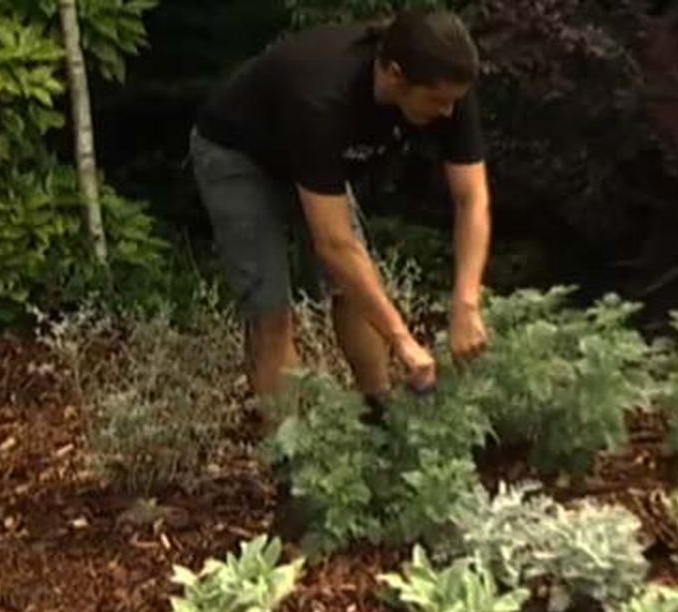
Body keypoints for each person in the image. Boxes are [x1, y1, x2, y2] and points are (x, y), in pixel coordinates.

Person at [188, 10, 491, 424]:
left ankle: (379, 414)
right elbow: (334, 244)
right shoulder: (322, 95)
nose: (449, 113)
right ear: (396, 75)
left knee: (353, 288)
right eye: (438, 101)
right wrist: (402, 339)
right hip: (238, 155)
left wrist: (466, 303)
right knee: (273, 314)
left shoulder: (448, 81)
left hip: (315, 162)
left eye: (454, 100)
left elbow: (472, 198)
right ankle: (292, 460)